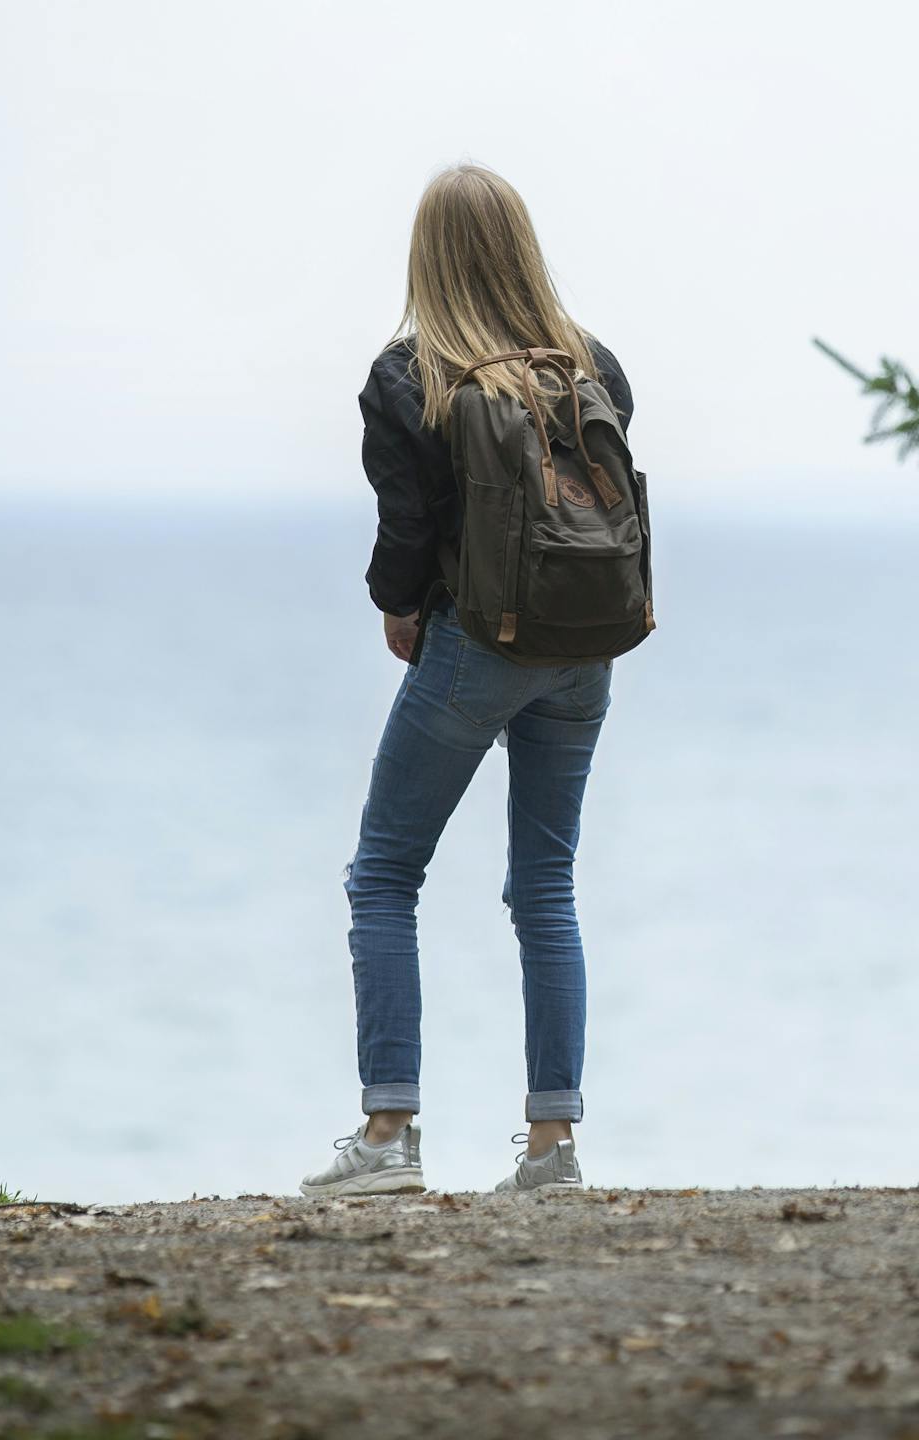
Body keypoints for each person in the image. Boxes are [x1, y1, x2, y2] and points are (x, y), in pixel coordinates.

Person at [302, 164, 635, 1199]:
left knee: (384, 875)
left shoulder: (412, 376)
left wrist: (397, 608)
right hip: (584, 652)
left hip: (473, 649)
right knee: (544, 883)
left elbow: (408, 531)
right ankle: (553, 1151)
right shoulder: (596, 365)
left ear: (426, 256)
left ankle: (388, 1136)